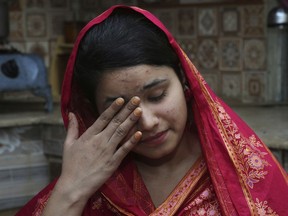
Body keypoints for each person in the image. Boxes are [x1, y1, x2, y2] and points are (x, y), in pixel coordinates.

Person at [16, 5, 287, 216]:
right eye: (120, 110)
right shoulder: (87, 182)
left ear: (185, 80)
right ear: (95, 112)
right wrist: (71, 190)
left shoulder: (243, 171)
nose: (146, 121)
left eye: (157, 96)